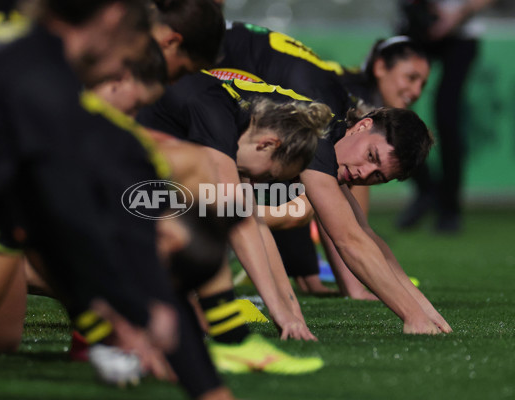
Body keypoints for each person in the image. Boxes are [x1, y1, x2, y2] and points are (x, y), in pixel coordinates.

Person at [0, 1, 236, 398]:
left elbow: (53, 230)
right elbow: (77, 225)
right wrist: (143, 314)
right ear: (112, 19)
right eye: (134, 51)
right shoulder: (40, 85)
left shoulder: (5, 46)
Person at [212, 23, 451, 334]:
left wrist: (422, 307)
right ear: (362, 126)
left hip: (207, 72)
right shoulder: (320, 121)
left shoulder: (335, 121)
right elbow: (348, 239)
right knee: (246, 210)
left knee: (244, 209)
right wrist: (411, 316)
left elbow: (362, 232)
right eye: (370, 157)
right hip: (191, 57)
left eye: (377, 176)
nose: (363, 174)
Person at [138, 71, 330, 372]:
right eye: (268, 176)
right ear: (268, 144)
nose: (258, 180)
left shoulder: (236, 124)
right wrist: (280, 312)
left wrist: (290, 308)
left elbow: (252, 221)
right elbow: (241, 224)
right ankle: (230, 339)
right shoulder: (216, 118)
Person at [396, 0, 496, 232]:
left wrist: (457, 15)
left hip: (461, 34)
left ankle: (449, 207)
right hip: (417, 27)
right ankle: (426, 189)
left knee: (447, 117)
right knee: (396, 112)